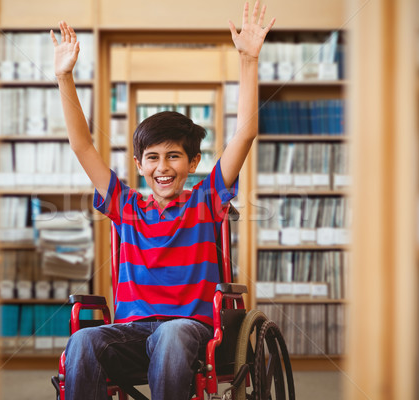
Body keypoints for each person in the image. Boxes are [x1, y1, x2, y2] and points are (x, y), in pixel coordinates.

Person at [50, 2, 275, 399]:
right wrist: (64, 77)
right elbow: (83, 146)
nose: (162, 167)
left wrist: (248, 61)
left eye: (174, 156)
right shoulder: (127, 206)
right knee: (83, 341)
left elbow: (244, 135)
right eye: (152, 157)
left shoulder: (206, 201)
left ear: (193, 162)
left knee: (172, 333)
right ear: (139, 164)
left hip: (191, 330)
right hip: (133, 331)